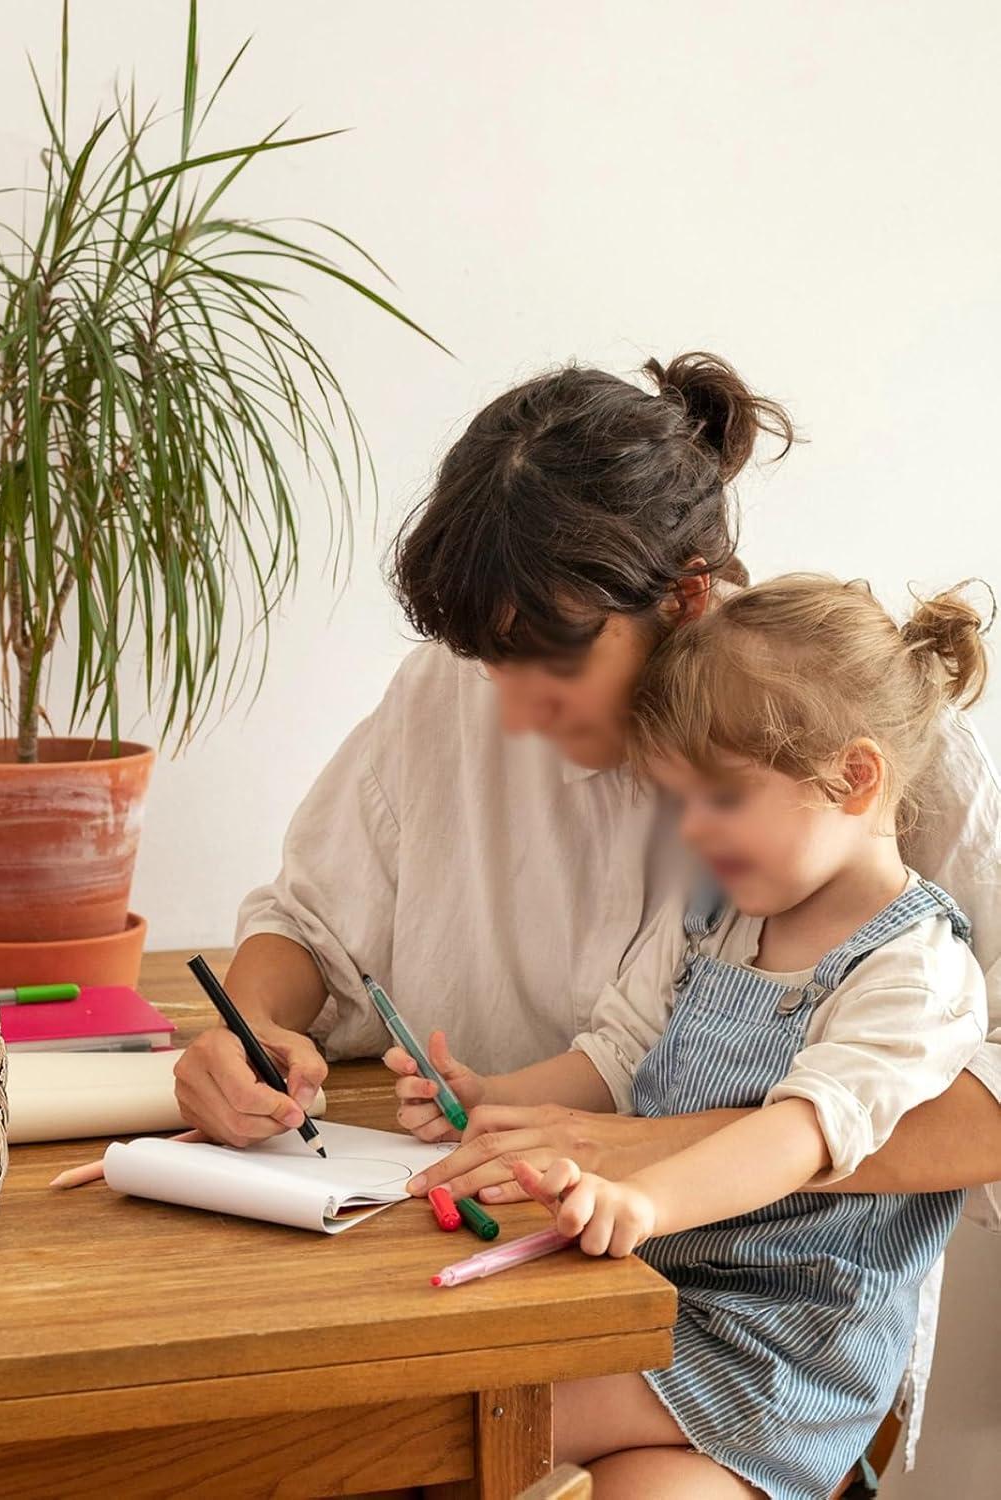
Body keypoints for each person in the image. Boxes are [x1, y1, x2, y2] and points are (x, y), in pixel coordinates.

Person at [172, 354, 1001, 1227]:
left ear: (685, 593)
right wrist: (252, 1030)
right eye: (493, 665)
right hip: (505, 1223)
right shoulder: (448, 691)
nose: (519, 714)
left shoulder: (868, 740)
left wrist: (654, 1147)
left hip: (772, 1309)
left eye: (557, 664)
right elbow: (310, 924)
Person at [388, 574, 990, 1499]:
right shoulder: (715, 910)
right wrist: (489, 1093)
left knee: (466, 1423)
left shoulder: (916, 971)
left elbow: (801, 1135)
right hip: (655, 1303)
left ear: (855, 777)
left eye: (723, 799)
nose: (693, 831)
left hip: (785, 1352)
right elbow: (620, 1052)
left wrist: (648, 1202)